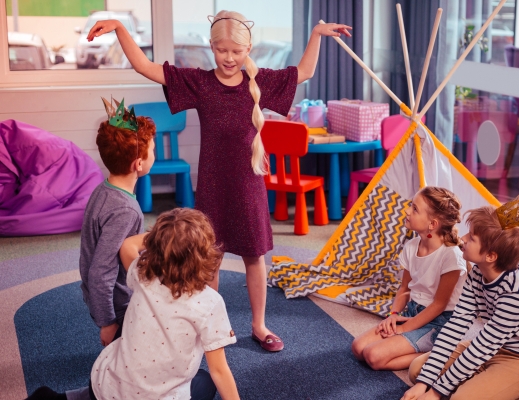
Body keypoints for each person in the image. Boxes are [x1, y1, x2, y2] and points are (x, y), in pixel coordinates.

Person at [85, 10, 351, 352]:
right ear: (211, 47)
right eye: (222, 50)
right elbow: (146, 68)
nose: (229, 58)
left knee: (255, 256)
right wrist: (121, 28)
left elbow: (304, 72)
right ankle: (211, 326)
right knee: (211, 257)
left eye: (237, 52)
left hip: (248, 183)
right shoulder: (199, 82)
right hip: (212, 183)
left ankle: (259, 325)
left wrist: (315, 33)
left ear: (248, 49)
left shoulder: (260, 82)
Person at [28, 208, 239, 400]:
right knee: (206, 382)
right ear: (203, 256)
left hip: (104, 385)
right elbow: (219, 371)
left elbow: (128, 245)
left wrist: (165, 238)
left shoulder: (144, 275)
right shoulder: (210, 303)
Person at [401, 193, 519, 400]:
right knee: (419, 371)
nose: (463, 239)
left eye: (472, 238)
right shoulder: (478, 271)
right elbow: (456, 325)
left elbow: (483, 347)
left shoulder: (518, 294)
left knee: (460, 398)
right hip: (497, 346)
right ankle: (494, 384)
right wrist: (425, 384)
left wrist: (435, 392)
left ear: (491, 256)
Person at [351, 186, 467, 371]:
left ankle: (440, 353)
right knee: (358, 348)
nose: (407, 211)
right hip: (412, 312)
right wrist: (394, 315)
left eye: (414, 209)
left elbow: (439, 305)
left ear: (432, 224)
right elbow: (404, 289)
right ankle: (420, 346)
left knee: (373, 357)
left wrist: (404, 329)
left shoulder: (451, 255)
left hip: (439, 321)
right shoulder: (412, 246)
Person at [79, 98, 155, 348]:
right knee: (127, 361)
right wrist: (108, 322)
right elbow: (101, 271)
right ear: (139, 164)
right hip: (118, 305)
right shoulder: (125, 209)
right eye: (152, 150)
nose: (154, 153)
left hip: (104, 298)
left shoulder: (103, 190)